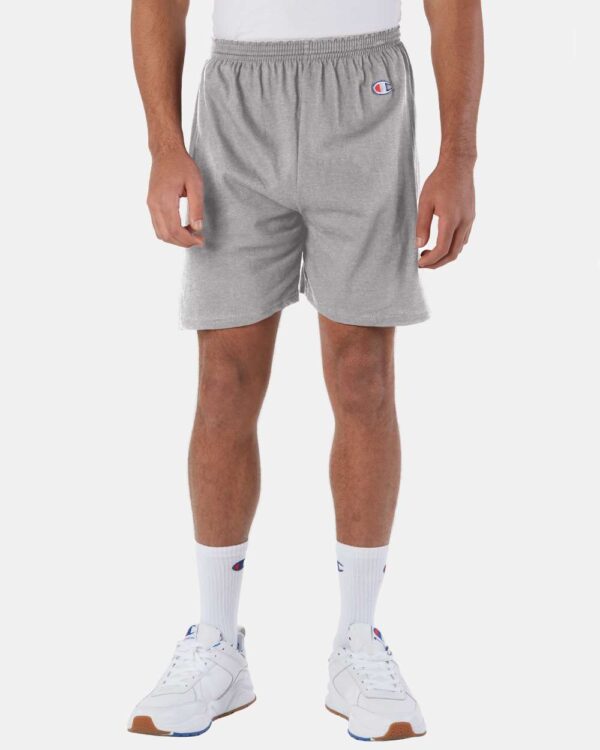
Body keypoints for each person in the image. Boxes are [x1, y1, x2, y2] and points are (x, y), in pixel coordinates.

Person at [128, 0, 483, 740]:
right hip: (238, 99)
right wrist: (164, 144)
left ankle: (358, 639)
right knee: (223, 382)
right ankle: (217, 643)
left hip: (366, 91)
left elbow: (453, 6)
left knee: (363, 375)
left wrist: (458, 159)